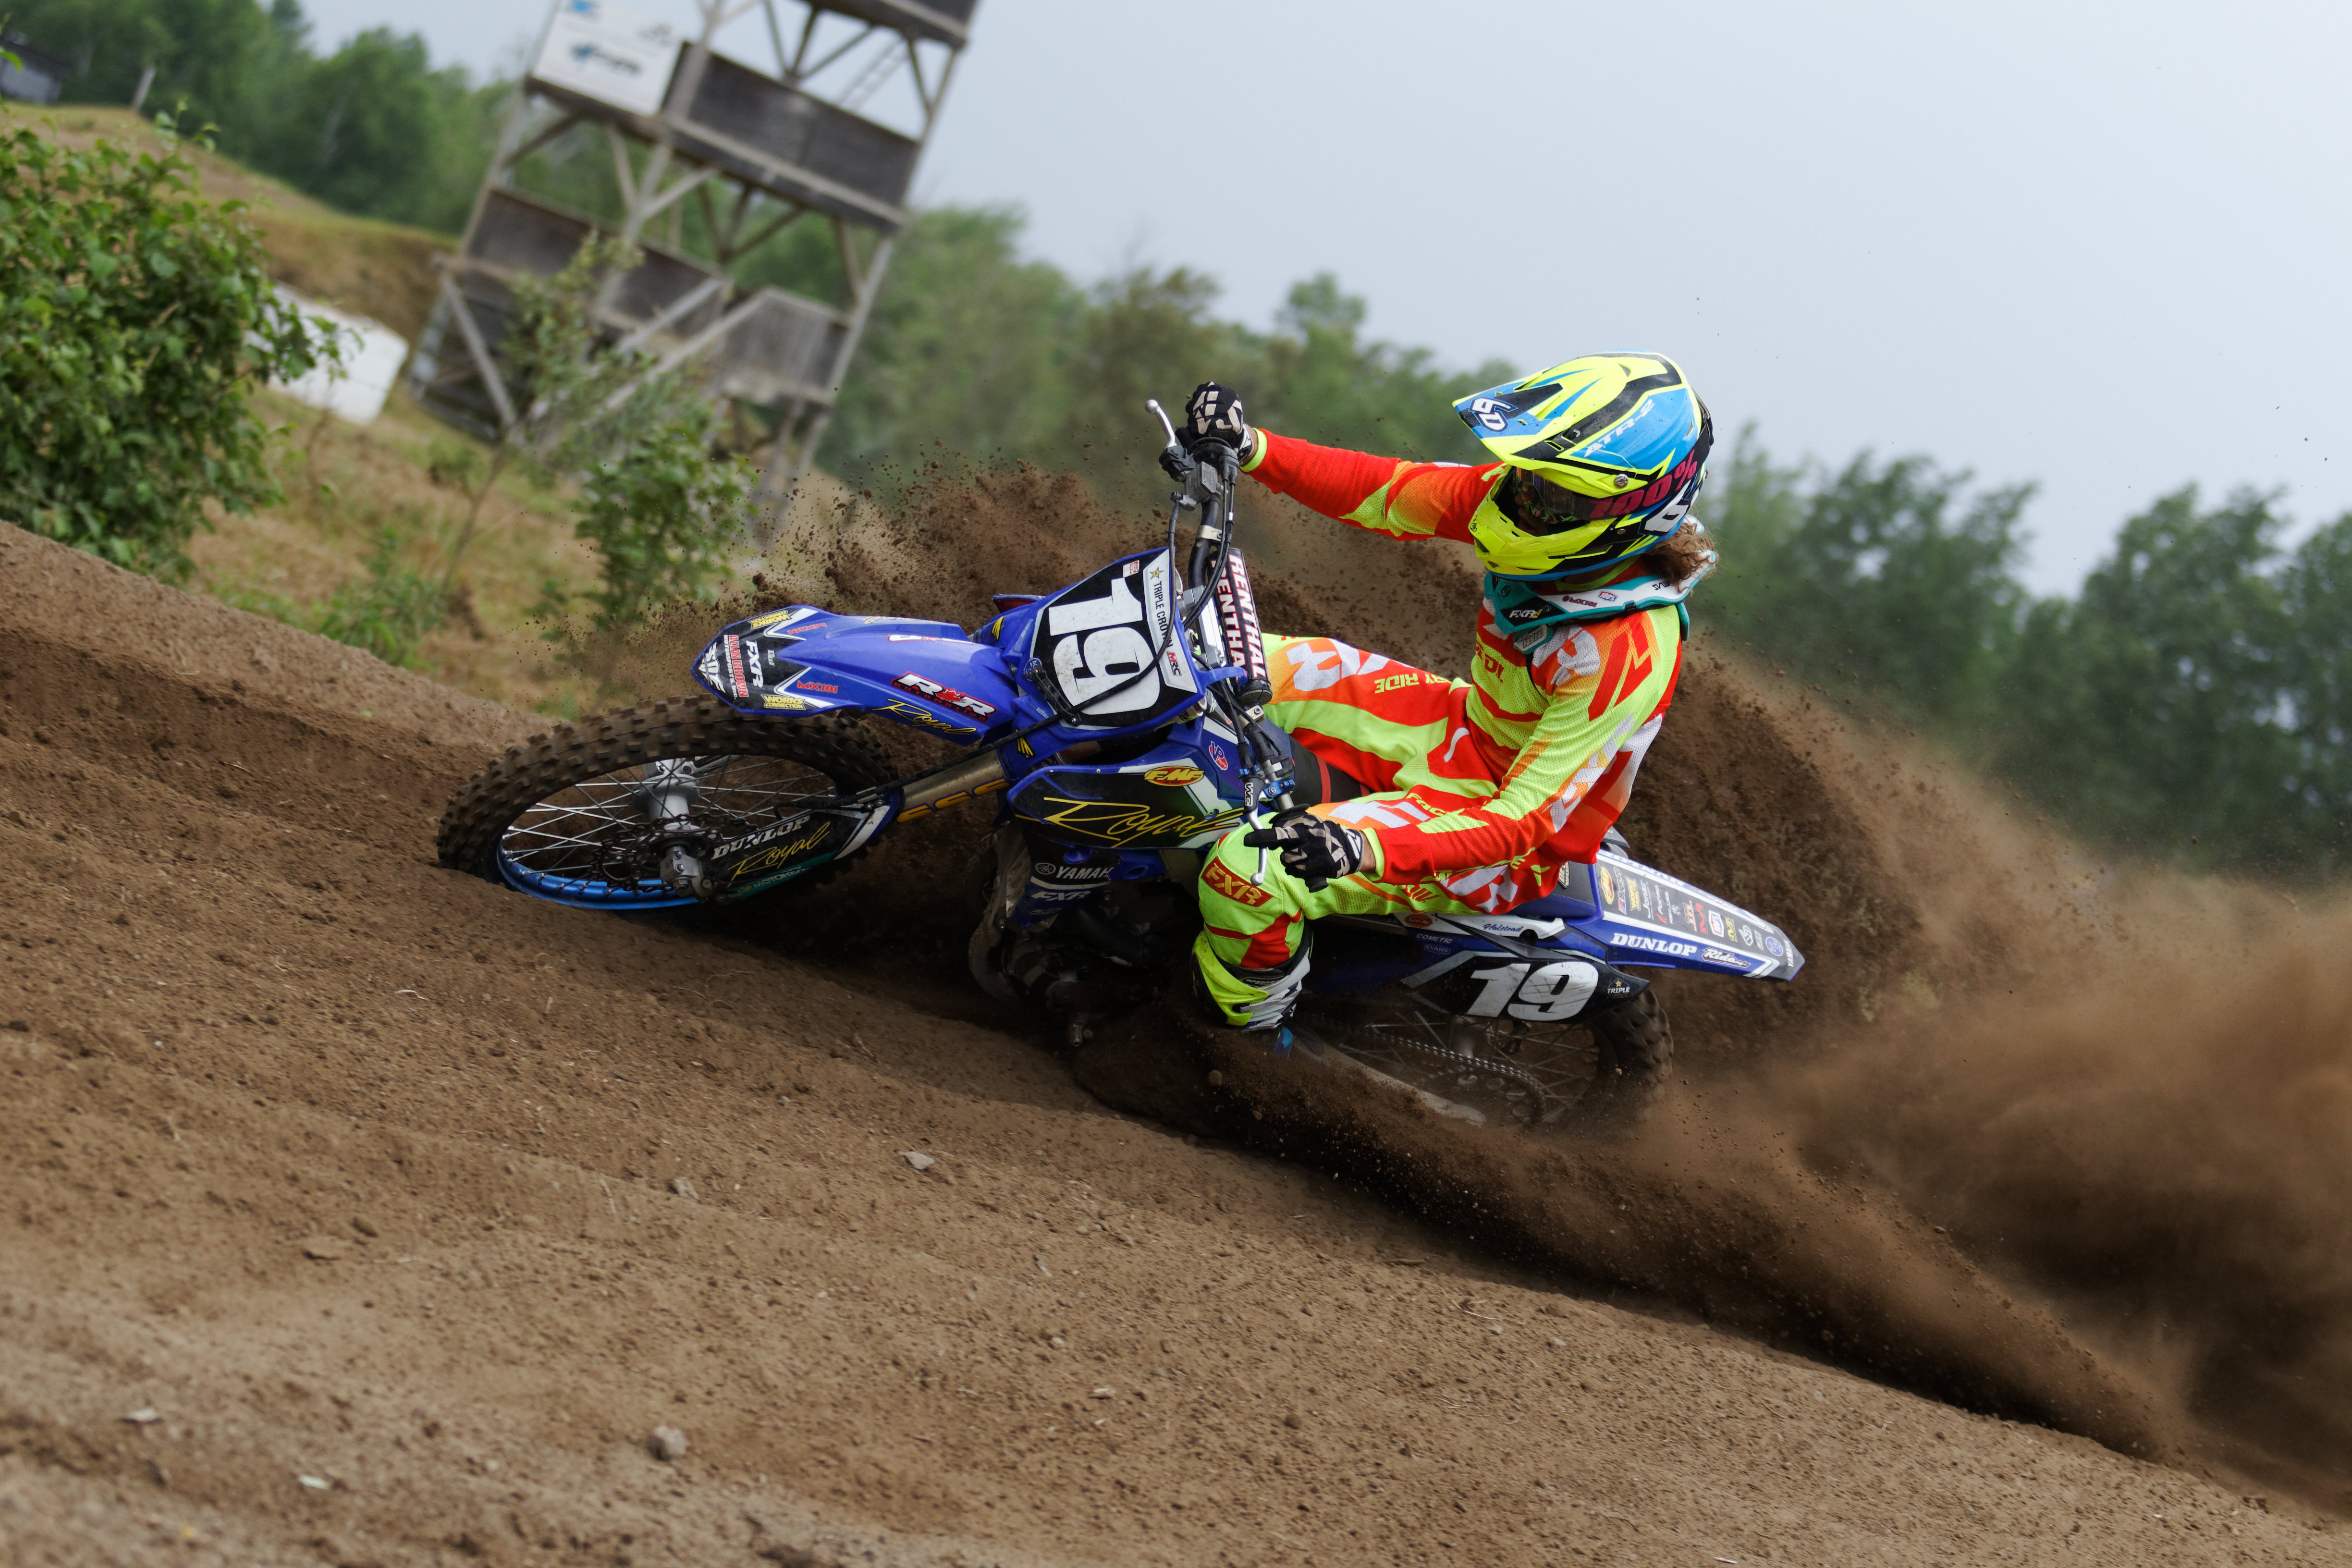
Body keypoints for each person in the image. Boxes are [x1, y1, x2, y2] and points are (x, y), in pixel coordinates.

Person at [1180, 354, 1718, 1033]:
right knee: (1218, 662)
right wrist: (1250, 445)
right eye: (1531, 476)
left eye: (1558, 495)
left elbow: (1521, 821)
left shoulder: (1626, 653)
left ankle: (1248, 1034)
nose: (1528, 500)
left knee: (1251, 874)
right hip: (1460, 728)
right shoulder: (1521, 507)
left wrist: (1361, 848)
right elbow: (1386, 491)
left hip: (1503, 835)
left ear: (1632, 510)